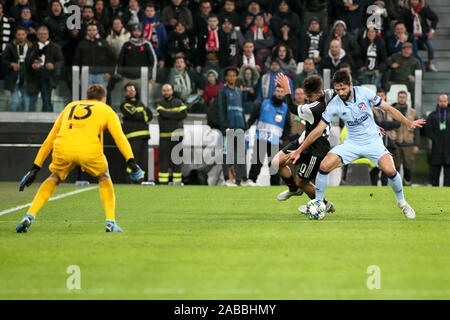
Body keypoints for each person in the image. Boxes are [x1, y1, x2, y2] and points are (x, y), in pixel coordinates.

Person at [287, 70, 425, 219]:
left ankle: (402, 204)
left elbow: (388, 108)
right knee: (324, 166)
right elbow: (317, 130)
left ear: (350, 85)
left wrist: (408, 122)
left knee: (390, 170)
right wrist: (299, 150)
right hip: (352, 143)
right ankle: (319, 204)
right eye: (337, 89)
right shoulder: (334, 104)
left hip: (373, 142)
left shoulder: (364, 93)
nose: (340, 92)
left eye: (343, 89)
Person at [16, 84, 144, 233]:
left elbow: (50, 138)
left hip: (63, 148)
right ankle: (111, 222)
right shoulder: (106, 110)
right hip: (88, 150)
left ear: (87, 97)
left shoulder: (70, 106)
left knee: (55, 177)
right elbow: (119, 137)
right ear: (104, 98)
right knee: (104, 176)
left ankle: (29, 215)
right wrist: (131, 161)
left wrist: (35, 167)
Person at [272, 74, 335, 213]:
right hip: (304, 139)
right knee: (276, 162)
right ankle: (293, 189)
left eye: (310, 97)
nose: (307, 99)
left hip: (316, 147)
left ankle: (323, 205)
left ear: (319, 93)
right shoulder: (329, 94)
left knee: (302, 181)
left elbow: (292, 108)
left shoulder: (315, 108)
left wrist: (287, 88)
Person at [247, 85, 290, 185]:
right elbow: (253, 116)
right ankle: (251, 181)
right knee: (257, 161)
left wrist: (283, 139)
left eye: (281, 92)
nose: (279, 94)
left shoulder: (285, 108)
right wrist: (247, 127)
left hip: (276, 140)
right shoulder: (263, 103)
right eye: (278, 91)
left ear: (284, 94)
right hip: (261, 137)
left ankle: (274, 185)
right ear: (274, 92)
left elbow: (288, 126)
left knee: (274, 164)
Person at [218, 67, 253, 187]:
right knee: (227, 153)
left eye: (234, 75)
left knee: (240, 153)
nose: (231, 78)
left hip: (240, 126)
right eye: (229, 76)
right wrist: (224, 126)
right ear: (226, 78)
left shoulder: (239, 91)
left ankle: (242, 179)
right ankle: (227, 179)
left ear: (236, 77)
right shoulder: (222, 91)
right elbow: (221, 109)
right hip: (229, 126)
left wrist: (245, 124)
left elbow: (241, 109)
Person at [120, 83, 152, 182]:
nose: (131, 92)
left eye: (133, 90)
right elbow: (136, 116)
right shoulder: (124, 104)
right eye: (129, 90)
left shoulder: (140, 102)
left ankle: (141, 181)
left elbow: (150, 115)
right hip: (133, 137)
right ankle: (129, 180)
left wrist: (142, 115)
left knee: (143, 161)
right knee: (133, 161)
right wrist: (144, 115)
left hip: (144, 136)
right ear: (125, 92)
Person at [156, 83, 187, 185]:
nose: (166, 92)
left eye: (168, 90)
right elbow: (162, 113)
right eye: (164, 90)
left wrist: (167, 114)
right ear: (161, 92)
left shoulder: (179, 102)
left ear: (172, 91)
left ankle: (177, 182)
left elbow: (184, 114)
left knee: (177, 160)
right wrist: (175, 114)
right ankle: (163, 183)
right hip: (164, 136)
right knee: (163, 161)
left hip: (177, 136)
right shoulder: (159, 102)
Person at [28, 26, 64, 112]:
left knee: (47, 99)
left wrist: (53, 66)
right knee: (32, 100)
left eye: (45, 34)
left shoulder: (55, 47)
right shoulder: (32, 46)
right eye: (40, 34)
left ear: (48, 35)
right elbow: (28, 60)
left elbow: (61, 62)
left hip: (48, 77)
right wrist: (32, 64)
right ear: (37, 35)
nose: (43, 36)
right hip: (34, 77)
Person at [72, 23, 117, 88]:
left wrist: (109, 73)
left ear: (97, 31)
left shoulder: (104, 42)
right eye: (89, 30)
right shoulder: (82, 44)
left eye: (93, 30)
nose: (91, 32)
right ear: (87, 31)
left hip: (101, 75)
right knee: (86, 96)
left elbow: (113, 58)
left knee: (100, 96)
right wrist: (76, 77)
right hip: (86, 75)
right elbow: (76, 61)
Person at [390, 90, 420, 186]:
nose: (402, 99)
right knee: (396, 166)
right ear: (397, 98)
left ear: (407, 99)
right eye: (400, 97)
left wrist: (416, 144)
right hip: (396, 143)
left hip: (409, 143)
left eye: (404, 97)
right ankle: (397, 185)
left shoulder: (412, 112)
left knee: (408, 167)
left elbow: (417, 129)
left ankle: (407, 183)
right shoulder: (393, 110)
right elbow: (389, 127)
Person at [117, 24, 157, 94]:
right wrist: (119, 72)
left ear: (141, 32)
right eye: (135, 31)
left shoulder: (146, 45)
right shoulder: (126, 44)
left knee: (142, 97)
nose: (136, 33)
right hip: (127, 77)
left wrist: (150, 77)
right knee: (125, 97)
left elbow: (152, 61)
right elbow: (120, 60)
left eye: (138, 31)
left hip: (141, 77)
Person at [399, 0, 439, 72]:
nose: (414, 2)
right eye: (412, 0)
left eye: (416, 0)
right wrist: (403, 32)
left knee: (431, 46)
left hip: (423, 32)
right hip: (411, 33)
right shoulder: (405, 10)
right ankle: (416, 65)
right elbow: (401, 21)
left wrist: (432, 31)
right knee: (414, 48)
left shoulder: (424, 8)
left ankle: (430, 64)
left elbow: (435, 18)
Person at [2, 26, 34, 112]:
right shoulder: (10, 46)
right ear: (16, 35)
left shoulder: (31, 47)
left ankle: (26, 123)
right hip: (14, 78)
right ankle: (10, 123)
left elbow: (35, 59)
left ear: (26, 35)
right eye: (19, 34)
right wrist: (11, 64)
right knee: (15, 101)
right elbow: (3, 60)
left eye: (23, 34)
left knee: (26, 102)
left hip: (26, 78)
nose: (21, 36)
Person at [424, 94, 450, 186]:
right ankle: (434, 190)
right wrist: (435, 139)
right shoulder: (433, 115)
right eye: (441, 101)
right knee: (435, 174)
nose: (443, 103)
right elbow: (428, 130)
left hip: (449, 149)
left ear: (448, 102)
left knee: (448, 176)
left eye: (444, 101)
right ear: (438, 102)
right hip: (436, 149)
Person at [142, 3, 167, 69]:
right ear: (145, 12)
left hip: (157, 56)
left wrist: (162, 59)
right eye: (147, 11)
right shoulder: (142, 25)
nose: (149, 13)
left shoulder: (160, 26)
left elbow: (163, 43)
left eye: (151, 11)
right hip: (143, 56)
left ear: (155, 12)